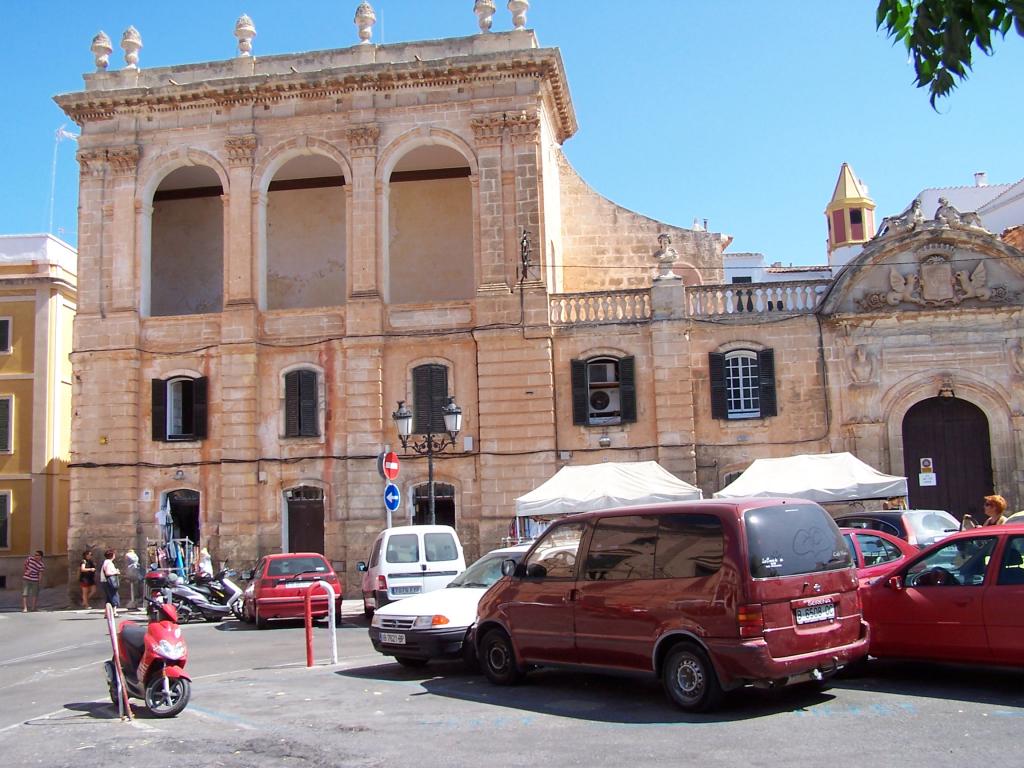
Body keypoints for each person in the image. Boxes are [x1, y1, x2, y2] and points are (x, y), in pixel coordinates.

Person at [99, 549, 121, 616]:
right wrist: (116, 572)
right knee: (113, 596)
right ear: (112, 555)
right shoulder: (108, 563)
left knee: (108, 597)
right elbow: (108, 573)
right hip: (109, 582)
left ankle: (107, 613)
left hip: (105, 581)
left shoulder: (106, 562)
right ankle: (114, 612)